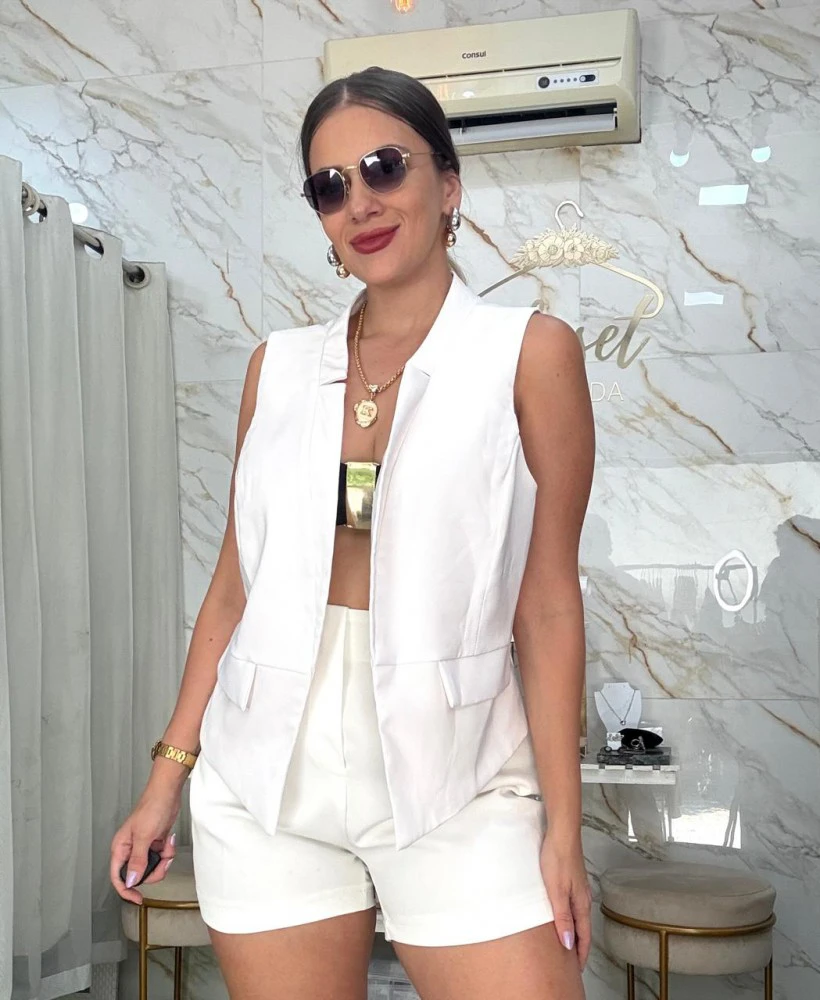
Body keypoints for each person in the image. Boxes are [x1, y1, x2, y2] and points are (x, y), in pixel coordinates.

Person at [111, 66, 595, 1000]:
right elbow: (233, 589)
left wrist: (563, 829)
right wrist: (166, 779)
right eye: (329, 186)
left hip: (459, 777)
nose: (359, 203)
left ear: (447, 184)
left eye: (384, 167)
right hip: (266, 781)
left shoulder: (528, 354)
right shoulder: (278, 369)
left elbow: (546, 602)